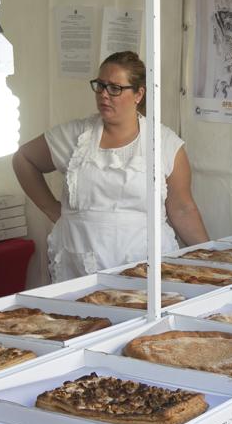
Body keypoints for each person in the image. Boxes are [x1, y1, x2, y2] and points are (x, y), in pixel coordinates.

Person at [12, 51, 210, 281]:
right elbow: (23, 159)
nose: (104, 95)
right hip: (79, 266)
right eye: (100, 86)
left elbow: (182, 208)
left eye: (115, 88)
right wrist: (50, 208)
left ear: (138, 94)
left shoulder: (165, 144)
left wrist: (211, 257)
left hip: (144, 266)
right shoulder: (74, 136)